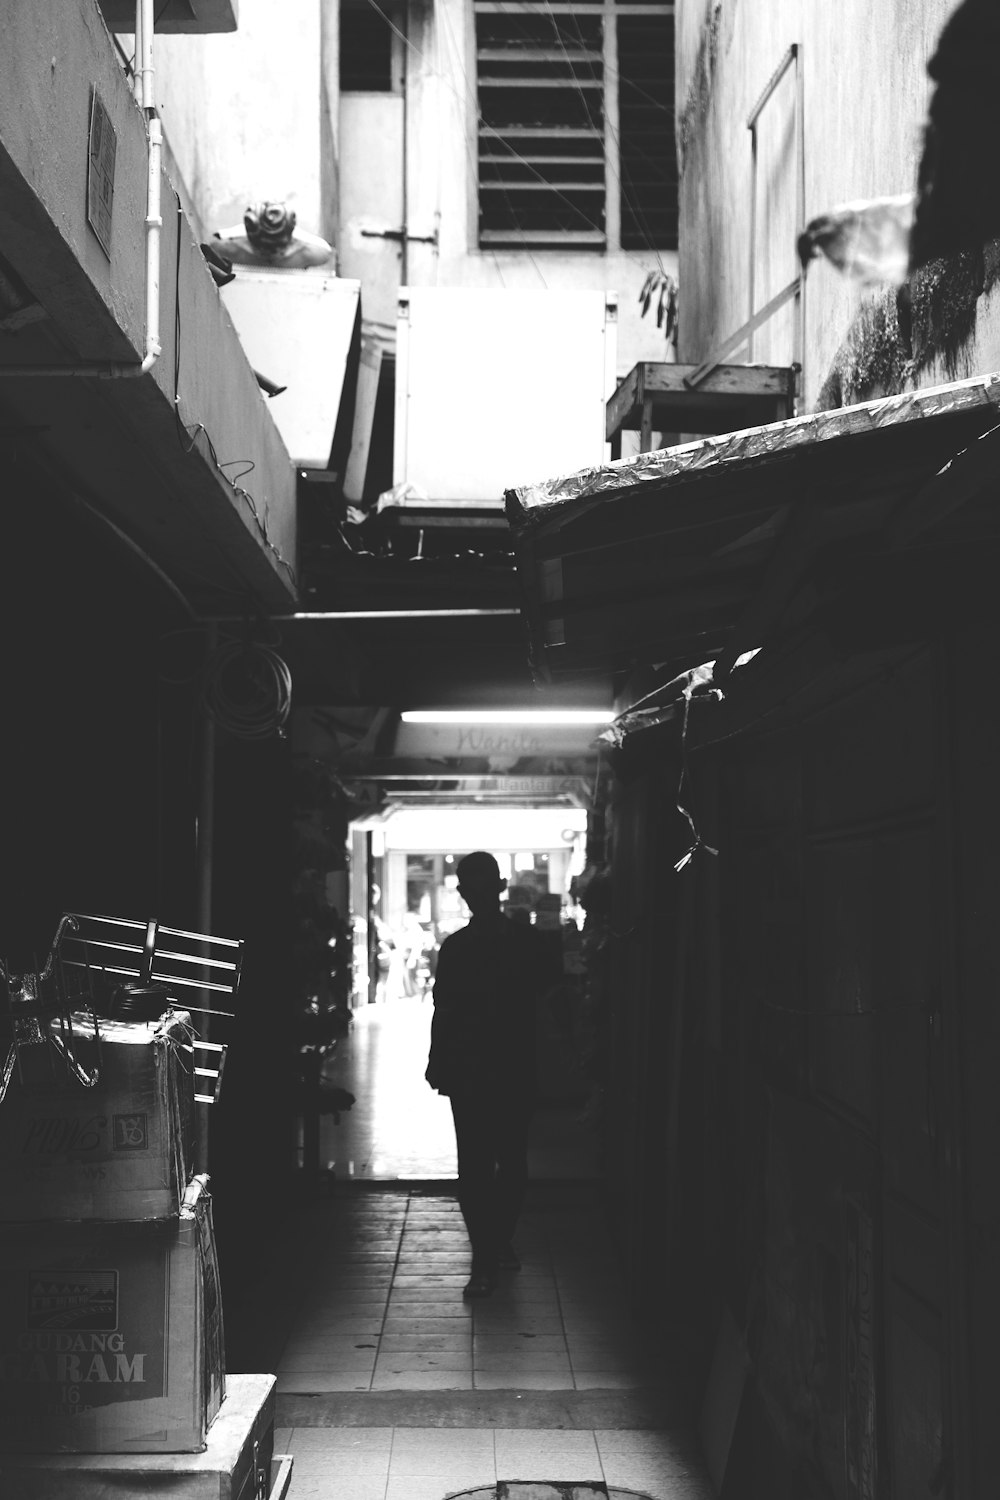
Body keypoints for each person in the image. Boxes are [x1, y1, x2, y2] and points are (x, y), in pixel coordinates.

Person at [425, 851, 556, 1298]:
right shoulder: (528, 942)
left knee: (478, 1165)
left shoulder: (459, 947)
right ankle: (494, 1246)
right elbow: (549, 1004)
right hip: (509, 1066)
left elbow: (444, 1010)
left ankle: (488, 1252)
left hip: (473, 1068)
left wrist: (438, 1059)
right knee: (507, 1163)